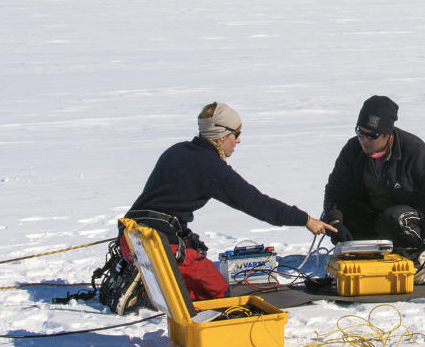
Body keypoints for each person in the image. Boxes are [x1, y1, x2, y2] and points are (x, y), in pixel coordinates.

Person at [120, 101, 335, 304]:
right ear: (222, 136)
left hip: (130, 238)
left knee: (194, 264)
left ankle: (148, 280)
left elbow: (163, 202)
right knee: (217, 290)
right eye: (236, 134)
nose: (238, 140)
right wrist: (305, 220)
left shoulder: (177, 150)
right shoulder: (210, 166)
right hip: (157, 246)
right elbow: (256, 203)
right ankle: (151, 291)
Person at [321, 95, 425, 276]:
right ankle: (371, 253)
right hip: (378, 213)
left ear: (387, 134)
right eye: (360, 132)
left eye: (371, 135)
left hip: (422, 213)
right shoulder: (353, 150)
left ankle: (418, 255)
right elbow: (335, 191)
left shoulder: (414, 151)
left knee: (396, 219)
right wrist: (335, 222)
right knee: (333, 220)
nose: (364, 139)